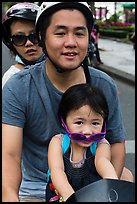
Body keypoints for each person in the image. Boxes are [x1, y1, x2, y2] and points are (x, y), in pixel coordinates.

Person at [2, 2, 133, 202]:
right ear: (41, 38)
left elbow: (115, 143)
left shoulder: (104, 85)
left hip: (92, 184)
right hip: (38, 189)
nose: (71, 42)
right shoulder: (18, 87)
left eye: (79, 33)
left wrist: (105, 193)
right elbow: (9, 156)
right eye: (60, 33)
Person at [46, 83, 119, 202]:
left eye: (95, 123)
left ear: (103, 123)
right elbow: (57, 171)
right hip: (63, 194)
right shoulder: (58, 142)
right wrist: (71, 198)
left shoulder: (101, 144)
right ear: (63, 121)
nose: (87, 131)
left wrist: (114, 185)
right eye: (79, 122)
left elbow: (103, 162)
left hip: (92, 196)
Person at [2, 2, 45, 88]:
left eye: (34, 36)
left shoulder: (62, 68)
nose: (28, 43)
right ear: (10, 43)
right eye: (19, 38)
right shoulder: (11, 78)